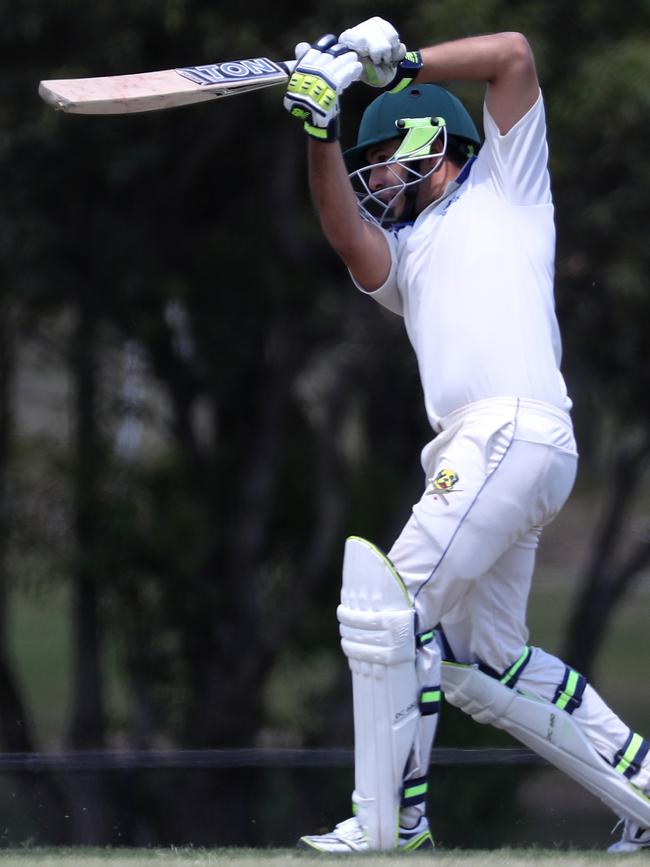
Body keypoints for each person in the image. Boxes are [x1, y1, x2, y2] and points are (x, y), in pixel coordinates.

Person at [283, 18, 650, 854]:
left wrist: (395, 60)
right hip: (493, 451)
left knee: (391, 610)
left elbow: (515, 54)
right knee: (484, 661)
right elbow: (346, 232)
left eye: (376, 158)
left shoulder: (508, 184)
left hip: (507, 434)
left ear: (425, 143)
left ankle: (392, 819)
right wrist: (323, 123)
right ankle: (643, 787)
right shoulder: (407, 257)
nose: (369, 178)